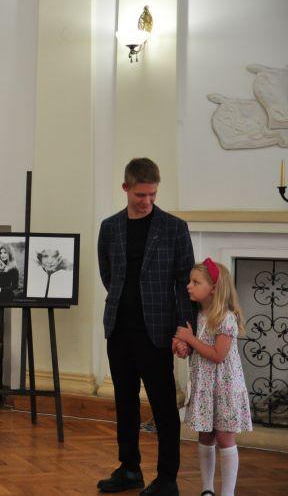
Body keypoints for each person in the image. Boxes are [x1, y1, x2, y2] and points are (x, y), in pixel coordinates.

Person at [97, 158, 196, 495]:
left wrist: (184, 331)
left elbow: (185, 283)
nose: (147, 201)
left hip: (157, 331)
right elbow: (108, 275)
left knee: (163, 405)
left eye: (153, 194)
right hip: (119, 329)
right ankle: (129, 469)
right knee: (125, 402)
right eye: (141, 194)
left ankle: (167, 478)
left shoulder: (174, 228)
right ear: (126, 188)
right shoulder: (110, 227)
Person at [174, 258, 251, 496]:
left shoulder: (225, 318)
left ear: (214, 288)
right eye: (190, 281)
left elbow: (218, 355)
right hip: (204, 386)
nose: (189, 286)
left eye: (196, 282)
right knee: (205, 437)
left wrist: (190, 339)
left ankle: (227, 493)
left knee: (225, 439)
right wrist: (182, 345)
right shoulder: (196, 315)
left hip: (225, 388)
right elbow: (194, 346)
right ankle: (207, 489)